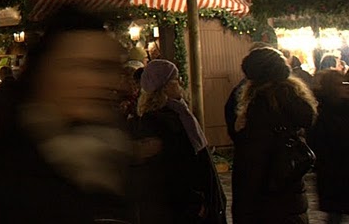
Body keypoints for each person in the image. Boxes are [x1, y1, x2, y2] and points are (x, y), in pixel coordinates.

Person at [0, 5, 135, 223]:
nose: (95, 80)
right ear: (44, 73)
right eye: (77, 66)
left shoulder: (119, 154)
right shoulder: (10, 172)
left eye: (104, 67)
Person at [232, 46, 318, 224]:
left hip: (267, 205)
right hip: (291, 200)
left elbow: (253, 166)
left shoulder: (262, 108)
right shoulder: (291, 101)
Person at [133, 60, 225, 223]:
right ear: (164, 87)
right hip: (184, 207)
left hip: (199, 196)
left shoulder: (180, 112)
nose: (180, 83)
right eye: (176, 79)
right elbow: (168, 169)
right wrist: (193, 202)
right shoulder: (157, 120)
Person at [307, 68, 349, 224]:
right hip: (334, 172)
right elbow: (317, 143)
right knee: (335, 214)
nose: (345, 87)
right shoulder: (322, 114)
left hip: (337, 171)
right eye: (340, 84)